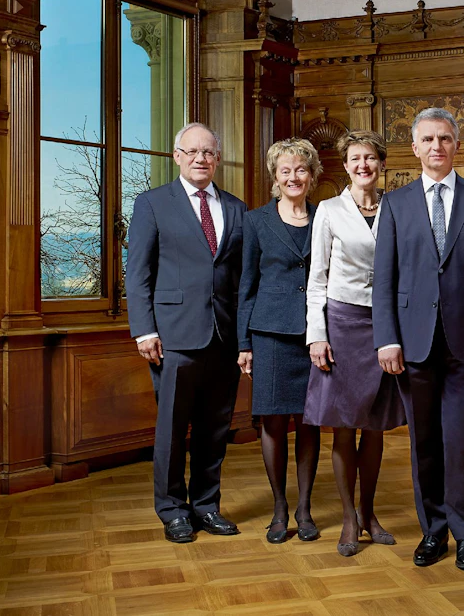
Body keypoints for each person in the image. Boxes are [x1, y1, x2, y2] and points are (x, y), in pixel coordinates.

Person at [372, 107, 464, 571]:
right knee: (424, 442)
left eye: (445, 139)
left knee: (463, 440)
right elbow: (384, 279)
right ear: (415, 148)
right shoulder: (395, 204)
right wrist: (386, 339)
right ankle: (433, 531)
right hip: (412, 344)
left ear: (456, 145)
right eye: (428, 140)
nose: (437, 147)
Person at [127, 122, 246, 544]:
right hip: (173, 337)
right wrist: (144, 330)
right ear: (176, 156)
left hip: (224, 337)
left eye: (209, 152)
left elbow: (239, 278)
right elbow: (138, 273)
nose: (201, 159)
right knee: (173, 429)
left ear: (218, 158)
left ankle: (206, 506)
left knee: (215, 428)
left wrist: (244, 338)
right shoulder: (153, 203)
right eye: (192, 151)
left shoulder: (236, 208)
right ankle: (173, 510)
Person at [305, 131, 406, 557]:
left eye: (370, 158)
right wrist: (317, 335)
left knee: (376, 426)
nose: (362, 165)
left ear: (381, 164)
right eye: (354, 159)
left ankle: (369, 513)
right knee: (344, 426)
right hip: (343, 324)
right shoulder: (328, 211)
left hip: (385, 327)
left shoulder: (398, 208)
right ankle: (348, 519)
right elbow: (317, 280)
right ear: (344, 166)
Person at [237, 138, 323, 544]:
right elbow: (246, 285)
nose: (294, 177)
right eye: (286, 170)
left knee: (310, 422)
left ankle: (305, 509)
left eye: (301, 169)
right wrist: (244, 343)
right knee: (272, 421)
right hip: (269, 334)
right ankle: (279, 508)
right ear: (275, 176)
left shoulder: (327, 216)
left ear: (312, 175)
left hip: (317, 335)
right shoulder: (256, 222)